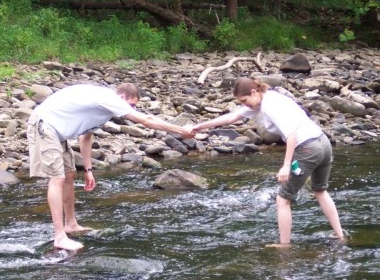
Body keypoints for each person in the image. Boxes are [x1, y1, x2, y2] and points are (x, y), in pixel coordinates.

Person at [27, 82, 193, 251]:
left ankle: (71, 224)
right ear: (121, 97)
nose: (132, 109)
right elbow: (146, 120)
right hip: (44, 124)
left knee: (69, 174)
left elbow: (86, 138)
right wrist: (181, 130)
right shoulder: (109, 99)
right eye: (132, 105)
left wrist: (88, 170)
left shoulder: (103, 110)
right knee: (57, 178)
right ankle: (60, 237)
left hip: (57, 130)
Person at [190, 77, 345, 247]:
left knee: (282, 200)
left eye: (244, 100)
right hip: (323, 142)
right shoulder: (268, 98)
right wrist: (200, 126)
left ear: (254, 92)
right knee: (320, 191)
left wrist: (286, 165)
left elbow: (291, 134)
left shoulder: (270, 106)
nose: (245, 104)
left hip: (308, 149)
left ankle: (284, 245)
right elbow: (232, 117)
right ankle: (340, 236)